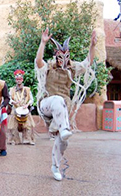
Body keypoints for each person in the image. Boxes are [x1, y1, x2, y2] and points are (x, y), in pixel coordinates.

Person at [35, 28, 97, 181]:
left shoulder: (72, 68)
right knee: (57, 99)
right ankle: (64, 129)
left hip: (62, 109)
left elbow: (87, 62)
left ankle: (55, 166)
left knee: (63, 142)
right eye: (59, 56)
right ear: (56, 57)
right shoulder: (49, 66)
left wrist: (92, 46)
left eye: (66, 56)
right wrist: (43, 43)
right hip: (48, 104)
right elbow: (38, 62)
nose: (63, 59)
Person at [7, 69, 35, 145]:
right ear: (15, 80)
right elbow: (9, 99)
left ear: (22, 80)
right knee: (13, 126)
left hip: (24, 109)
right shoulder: (11, 90)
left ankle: (27, 139)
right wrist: (13, 102)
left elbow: (31, 99)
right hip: (15, 109)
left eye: (20, 79)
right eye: (17, 79)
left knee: (28, 125)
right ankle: (14, 140)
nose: (19, 81)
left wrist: (27, 105)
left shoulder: (27, 89)